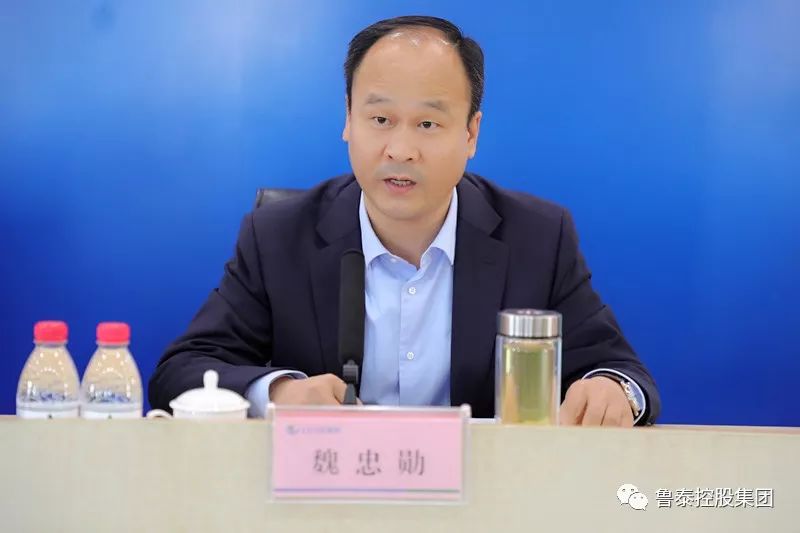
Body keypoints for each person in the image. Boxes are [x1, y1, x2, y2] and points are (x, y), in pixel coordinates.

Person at [149, 15, 661, 426]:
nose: (400, 149)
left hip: (483, 501)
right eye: (380, 119)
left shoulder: (538, 238)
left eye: (428, 123)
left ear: (471, 133)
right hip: (324, 496)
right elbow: (181, 373)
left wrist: (610, 391)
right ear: (348, 119)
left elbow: (622, 373)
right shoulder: (278, 237)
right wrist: (280, 393)